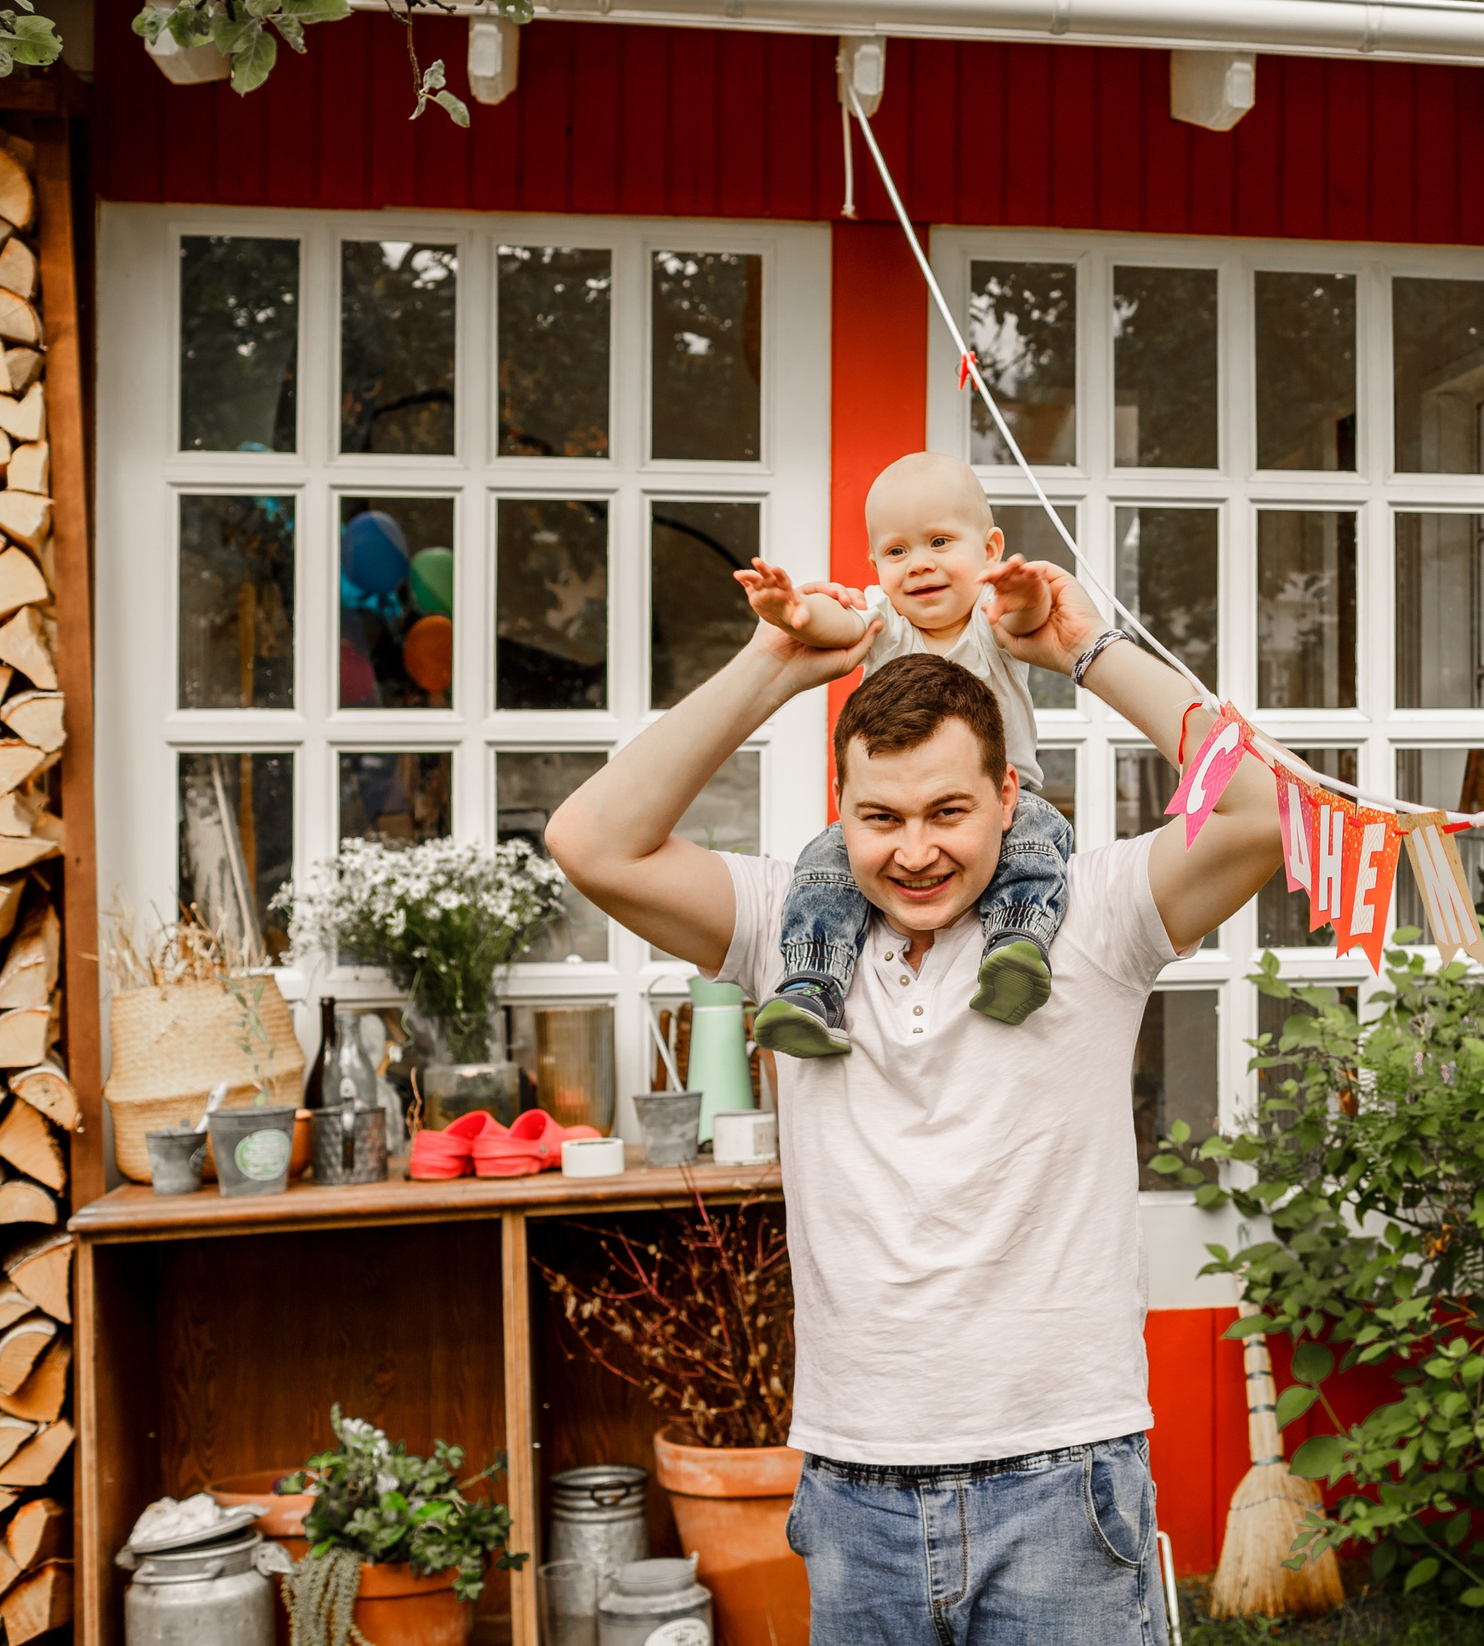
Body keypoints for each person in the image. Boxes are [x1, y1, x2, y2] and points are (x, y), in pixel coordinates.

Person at [544, 556, 1285, 1646]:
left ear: (1007, 797)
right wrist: (775, 665)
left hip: (1062, 1474)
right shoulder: (782, 927)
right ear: (841, 812)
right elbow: (590, 840)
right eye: (880, 817)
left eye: (949, 810)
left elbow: (1262, 811)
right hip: (856, 1488)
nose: (917, 850)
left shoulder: (1089, 917)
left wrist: (1088, 650)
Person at [734, 451, 1066, 1060]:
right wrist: (798, 614)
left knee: (1039, 844)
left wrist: (1026, 595)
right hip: (890, 804)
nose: (919, 565)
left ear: (989, 550)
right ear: (875, 566)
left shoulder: (990, 622)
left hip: (1007, 805)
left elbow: (1030, 617)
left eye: (940, 541)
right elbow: (841, 622)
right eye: (896, 552)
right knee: (824, 865)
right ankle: (813, 986)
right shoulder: (886, 621)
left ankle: (1015, 946)